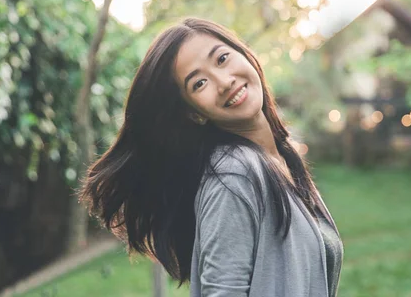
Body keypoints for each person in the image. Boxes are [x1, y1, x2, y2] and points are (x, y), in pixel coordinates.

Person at [80, 17, 343, 296]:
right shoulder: (233, 174)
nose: (224, 81)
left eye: (222, 58)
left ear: (244, 53)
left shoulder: (282, 157)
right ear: (194, 113)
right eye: (200, 83)